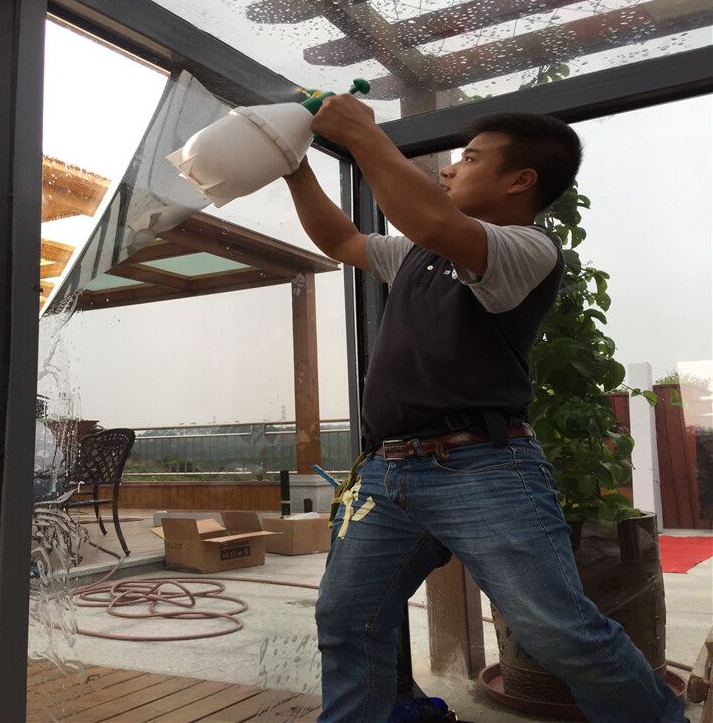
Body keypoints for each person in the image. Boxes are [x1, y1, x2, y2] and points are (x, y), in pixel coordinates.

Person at [284, 100, 685, 723]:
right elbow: (340, 239)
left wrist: (362, 134)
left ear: (520, 180)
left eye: (468, 159)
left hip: (483, 467)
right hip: (388, 473)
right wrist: (294, 167)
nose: (448, 170)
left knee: (558, 633)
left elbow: (432, 219)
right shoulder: (416, 253)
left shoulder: (530, 248)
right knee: (346, 619)